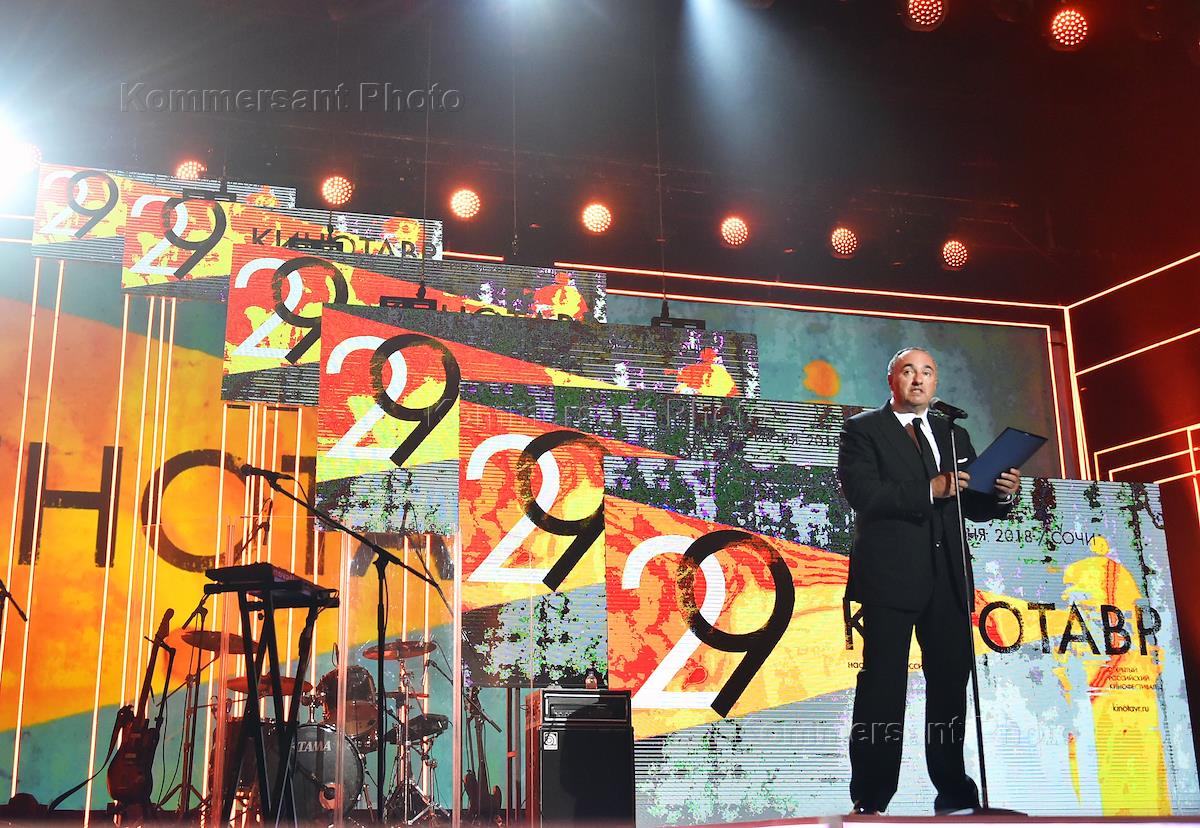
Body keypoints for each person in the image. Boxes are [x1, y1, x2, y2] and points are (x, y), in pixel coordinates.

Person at [837, 346, 1021, 815]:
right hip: (890, 578)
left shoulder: (953, 433)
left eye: (927, 372)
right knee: (883, 686)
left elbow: (971, 504)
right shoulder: (863, 429)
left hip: (949, 579)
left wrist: (1001, 495)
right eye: (908, 371)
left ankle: (954, 792)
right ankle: (871, 798)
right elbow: (863, 494)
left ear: (936, 383)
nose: (918, 379)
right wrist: (929, 489)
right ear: (892, 379)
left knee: (950, 684)